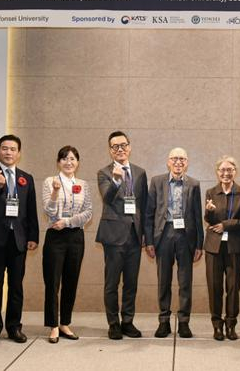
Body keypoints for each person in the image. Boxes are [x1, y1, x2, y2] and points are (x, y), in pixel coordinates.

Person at [0, 134, 39, 345]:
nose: (8, 152)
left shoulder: (26, 178)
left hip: (19, 239)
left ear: (18, 153)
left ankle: (14, 327)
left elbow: (31, 210)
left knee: (16, 286)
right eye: (4, 148)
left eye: (13, 149)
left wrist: (33, 236)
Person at [145, 147, 203, 339]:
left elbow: (197, 216)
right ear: (168, 162)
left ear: (187, 162)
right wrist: (149, 241)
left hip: (186, 236)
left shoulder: (194, 184)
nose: (178, 162)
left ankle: (184, 322)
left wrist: (199, 244)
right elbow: (149, 213)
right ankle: (164, 321)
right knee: (164, 281)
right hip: (163, 235)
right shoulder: (157, 181)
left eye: (182, 159)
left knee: (185, 281)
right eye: (175, 159)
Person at [96, 131, 148, 340]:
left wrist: (146, 236)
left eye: (123, 145)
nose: (120, 149)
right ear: (110, 150)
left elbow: (144, 206)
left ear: (129, 147)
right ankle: (113, 324)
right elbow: (107, 198)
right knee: (111, 283)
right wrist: (116, 180)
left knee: (131, 283)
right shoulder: (104, 173)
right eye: (115, 146)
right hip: (113, 236)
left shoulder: (140, 172)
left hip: (134, 235)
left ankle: (127, 321)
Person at [42, 145, 92, 343]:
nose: (68, 162)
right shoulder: (50, 182)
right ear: (58, 162)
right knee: (52, 282)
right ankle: (53, 326)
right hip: (55, 237)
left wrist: (68, 222)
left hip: (76, 237)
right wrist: (55, 192)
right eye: (64, 159)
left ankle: (65, 323)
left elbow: (88, 212)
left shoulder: (83, 184)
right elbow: (49, 211)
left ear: (77, 163)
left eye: (72, 159)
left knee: (71, 282)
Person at [203, 156, 240, 341]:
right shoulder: (211, 192)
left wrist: (225, 225)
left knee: (233, 287)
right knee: (214, 287)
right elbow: (209, 220)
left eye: (229, 170)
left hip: (234, 246)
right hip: (213, 246)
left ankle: (231, 325)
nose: (226, 173)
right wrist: (208, 212)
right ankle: (217, 326)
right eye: (222, 170)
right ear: (217, 172)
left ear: (235, 172)